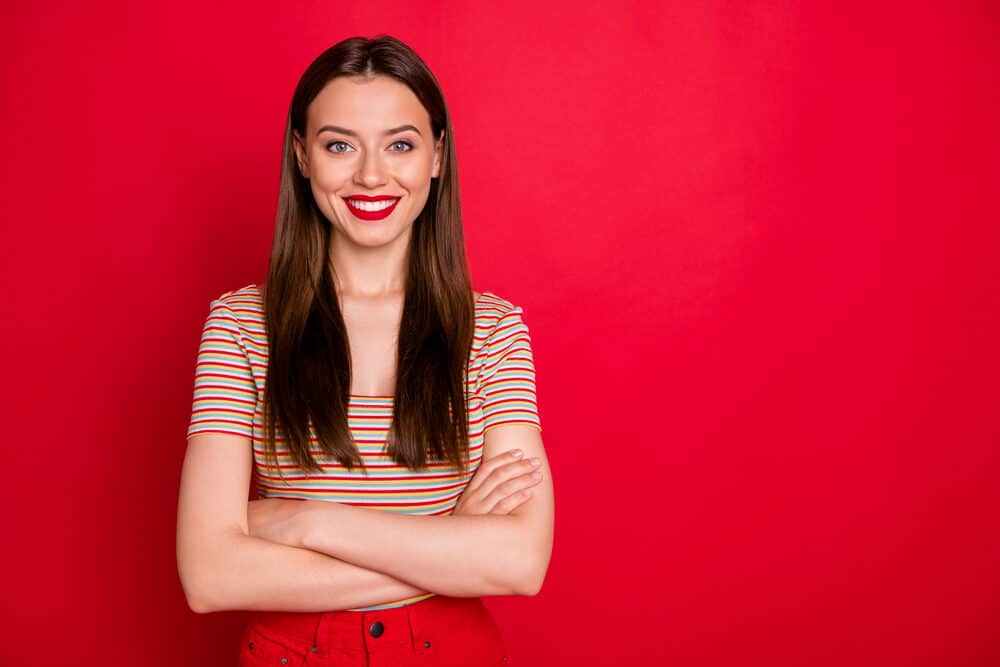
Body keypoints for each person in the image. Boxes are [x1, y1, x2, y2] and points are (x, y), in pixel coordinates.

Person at [175, 34, 554, 666]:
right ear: (302, 156)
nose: (371, 174)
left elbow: (521, 563)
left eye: (400, 144)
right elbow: (210, 577)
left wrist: (301, 522)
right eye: (340, 145)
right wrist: (449, 547)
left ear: (436, 155)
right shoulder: (241, 325)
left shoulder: (492, 332)